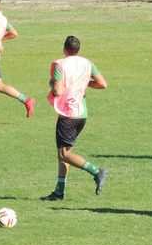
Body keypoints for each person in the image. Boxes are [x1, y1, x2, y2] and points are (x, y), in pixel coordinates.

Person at [40, 36, 108, 200]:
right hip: (82, 113)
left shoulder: (60, 64)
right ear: (78, 50)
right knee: (63, 152)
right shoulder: (87, 63)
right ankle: (59, 192)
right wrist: (85, 83)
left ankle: (96, 171)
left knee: (64, 154)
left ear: (64, 49)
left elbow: (57, 91)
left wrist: (52, 83)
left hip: (68, 114)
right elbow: (102, 84)